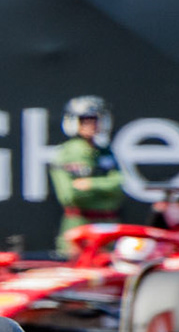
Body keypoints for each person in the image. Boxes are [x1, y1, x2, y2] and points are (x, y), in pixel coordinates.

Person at [50, 96, 126, 253]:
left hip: (108, 227)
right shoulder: (67, 152)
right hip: (79, 226)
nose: (90, 125)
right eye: (84, 120)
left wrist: (91, 184)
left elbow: (118, 185)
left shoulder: (106, 152)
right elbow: (71, 196)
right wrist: (105, 189)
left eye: (94, 120)